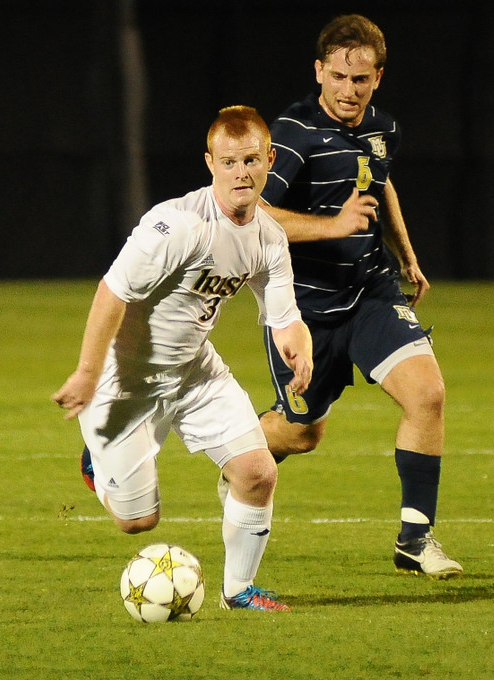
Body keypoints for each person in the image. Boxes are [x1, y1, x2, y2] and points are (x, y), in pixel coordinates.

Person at [52, 105, 313, 612]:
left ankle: (239, 591)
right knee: (136, 522)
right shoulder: (176, 226)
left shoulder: (269, 239)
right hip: (125, 380)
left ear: (270, 160)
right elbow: (112, 292)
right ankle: (95, 465)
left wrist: (297, 346)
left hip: (195, 371)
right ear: (210, 163)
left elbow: (284, 317)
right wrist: (87, 373)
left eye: (252, 160)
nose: (242, 173)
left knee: (258, 471)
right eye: (230, 161)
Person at [257, 14, 462, 578]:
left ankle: (415, 541)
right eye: (340, 77)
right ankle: (241, 460)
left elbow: (381, 180)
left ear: (377, 79)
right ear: (319, 71)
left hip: (369, 292)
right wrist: (333, 225)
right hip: (304, 310)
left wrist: (405, 253)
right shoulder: (291, 136)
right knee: (301, 434)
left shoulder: (382, 128)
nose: (350, 90)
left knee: (427, 394)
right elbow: (257, 213)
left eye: (362, 80)